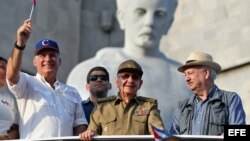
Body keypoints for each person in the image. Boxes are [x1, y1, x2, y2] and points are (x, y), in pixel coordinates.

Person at [67, 0, 191, 129]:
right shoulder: (87, 71)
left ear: (169, 23)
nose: (149, 22)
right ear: (122, 16)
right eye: (140, 12)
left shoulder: (184, 79)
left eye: (159, 14)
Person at [6, 19, 88, 139]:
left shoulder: (72, 92)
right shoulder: (27, 83)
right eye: (43, 55)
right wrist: (20, 44)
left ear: (59, 61)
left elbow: (80, 125)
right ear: (34, 62)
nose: (48, 59)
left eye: (52, 55)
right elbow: (11, 75)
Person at [79, 59, 165, 140]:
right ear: (117, 81)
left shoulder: (149, 106)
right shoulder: (102, 107)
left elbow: (158, 130)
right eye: (125, 76)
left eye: (135, 77)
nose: (130, 80)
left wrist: (161, 134)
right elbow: (92, 131)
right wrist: (89, 133)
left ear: (140, 84)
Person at [170, 52, 246, 135]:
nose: (187, 79)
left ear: (206, 73)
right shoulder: (182, 107)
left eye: (190, 73)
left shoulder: (230, 99)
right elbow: (173, 137)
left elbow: (239, 131)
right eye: (185, 75)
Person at [0, 56, 19, 140]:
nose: (6, 72)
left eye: (7, 68)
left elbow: (15, 126)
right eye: (2, 68)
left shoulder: (9, 98)